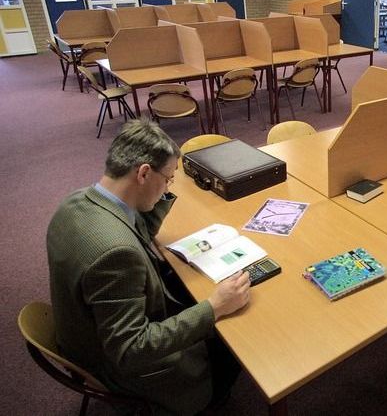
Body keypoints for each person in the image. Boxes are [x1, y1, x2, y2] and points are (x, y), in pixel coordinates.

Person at [47, 119, 250, 415]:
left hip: (83, 329)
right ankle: (210, 401)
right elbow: (131, 349)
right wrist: (214, 307)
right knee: (234, 342)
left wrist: (157, 194)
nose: (169, 185)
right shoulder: (115, 253)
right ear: (143, 172)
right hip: (119, 367)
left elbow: (134, 229)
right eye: (168, 178)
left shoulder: (76, 201)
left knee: (185, 289)